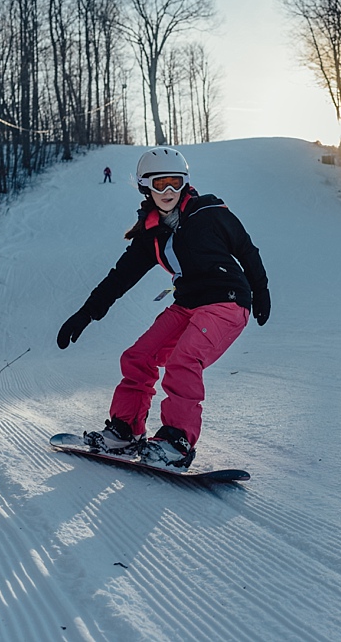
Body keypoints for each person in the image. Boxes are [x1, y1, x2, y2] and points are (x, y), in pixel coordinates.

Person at [57, 147, 270, 469]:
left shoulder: (210, 212)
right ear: (146, 187)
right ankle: (125, 431)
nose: (168, 191)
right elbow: (119, 279)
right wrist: (86, 313)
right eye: (160, 184)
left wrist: (261, 291)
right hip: (187, 305)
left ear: (185, 183)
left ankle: (176, 441)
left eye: (175, 182)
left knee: (183, 361)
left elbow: (246, 250)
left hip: (226, 302)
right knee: (138, 357)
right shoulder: (151, 235)